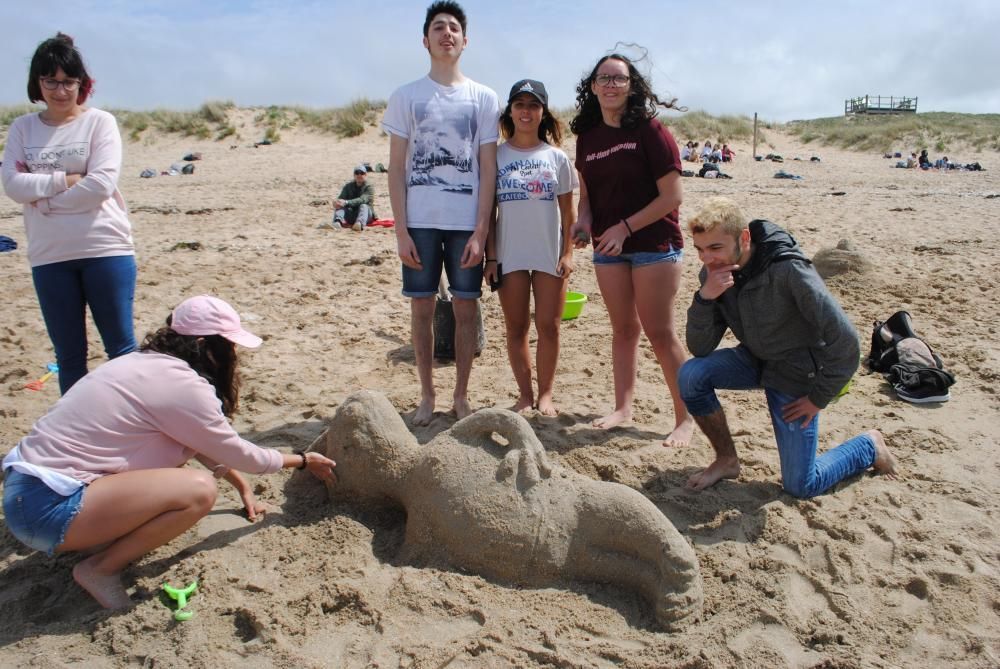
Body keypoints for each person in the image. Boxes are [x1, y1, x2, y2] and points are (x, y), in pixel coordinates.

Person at [1, 295, 338, 610]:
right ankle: (100, 568)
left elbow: (205, 445)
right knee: (198, 490)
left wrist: (244, 489)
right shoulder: (182, 386)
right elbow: (243, 454)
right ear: (204, 345)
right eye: (230, 344)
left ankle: (94, 540)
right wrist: (304, 460)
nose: (233, 354)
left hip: (26, 493)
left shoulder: (141, 363)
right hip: (48, 509)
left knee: (179, 471)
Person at [679, 197, 899, 496]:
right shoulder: (713, 275)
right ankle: (726, 459)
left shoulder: (789, 270)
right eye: (700, 250)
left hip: (798, 375)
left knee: (801, 485)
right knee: (691, 375)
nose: (707, 258)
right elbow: (700, 347)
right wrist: (705, 298)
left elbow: (846, 342)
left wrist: (819, 397)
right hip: (755, 359)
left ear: (744, 238)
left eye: (715, 248)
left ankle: (868, 446)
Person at [382, 1, 500, 424]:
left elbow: (489, 168)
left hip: (466, 223)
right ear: (426, 39)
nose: (446, 33)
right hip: (420, 222)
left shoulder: (483, 98)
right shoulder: (406, 96)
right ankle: (427, 395)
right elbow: (396, 169)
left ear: (465, 41)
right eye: (438, 27)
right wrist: (401, 232)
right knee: (422, 309)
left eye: (454, 28)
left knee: (467, 308)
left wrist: (481, 231)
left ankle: (462, 396)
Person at [568, 53, 695, 447]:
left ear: (631, 86)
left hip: (653, 245)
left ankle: (685, 416)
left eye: (619, 79)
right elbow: (587, 195)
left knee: (659, 332)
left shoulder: (650, 130)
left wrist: (625, 228)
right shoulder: (587, 137)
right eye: (603, 78)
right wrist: (583, 222)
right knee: (623, 330)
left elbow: (672, 196)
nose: (610, 85)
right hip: (609, 247)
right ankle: (623, 407)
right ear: (592, 86)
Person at [1, 33, 136, 394]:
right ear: (38, 82)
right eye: (51, 81)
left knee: (122, 351)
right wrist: (67, 179)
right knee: (70, 355)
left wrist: (42, 199)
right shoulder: (23, 128)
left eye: (68, 82)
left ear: (81, 83)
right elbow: (13, 186)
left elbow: (101, 186)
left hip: (105, 248)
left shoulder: (99, 123)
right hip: (50, 255)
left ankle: (134, 432)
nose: (60, 91)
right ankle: (77, 437)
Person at [485, 79, 577, 415]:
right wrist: (491, 257)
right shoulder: (495, 155)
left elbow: (569, 213)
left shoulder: (557, 158)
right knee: (517, 327)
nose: (526, 111)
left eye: (533, 105)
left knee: (549, 326)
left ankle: (546, 395)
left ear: (543, 112)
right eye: (520, 104)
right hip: (509, 254)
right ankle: (525, 394)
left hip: (548, 253)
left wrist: (568, 253)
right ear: (510, 110)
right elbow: (489, 211)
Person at [332, 165, 376, 231]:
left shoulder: (369, 187)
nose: (359, 175)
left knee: (363, 206)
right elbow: (341, 198)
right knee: (341, 205)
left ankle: (359, 224)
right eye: (357, 173)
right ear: (354, 175)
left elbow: (362, 200)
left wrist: (346, 202)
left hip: (366, 215)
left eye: (362, 173)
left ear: (365, 174)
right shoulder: (348, 186)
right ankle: (337, 222)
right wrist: (337, 202)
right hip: (351, 215)